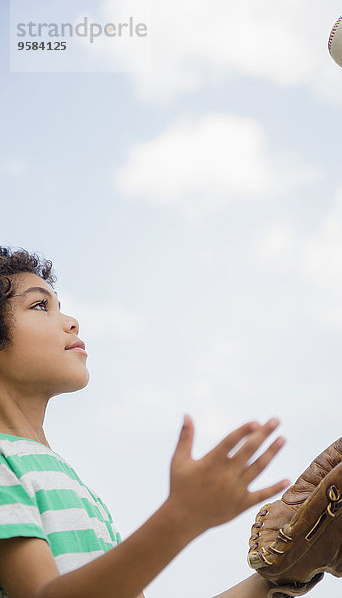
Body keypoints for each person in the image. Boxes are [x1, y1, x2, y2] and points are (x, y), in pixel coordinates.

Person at [0, 246, 290, 598]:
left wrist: (282, 578)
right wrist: (182, 518)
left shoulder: (73, 487)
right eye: (40, 305)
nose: (71, 321)